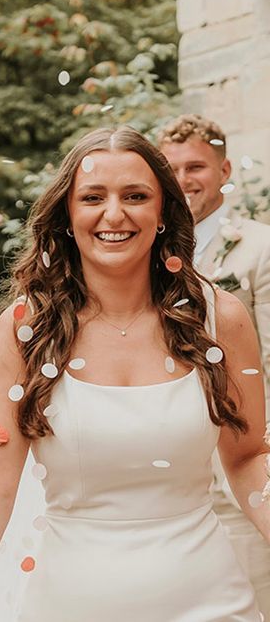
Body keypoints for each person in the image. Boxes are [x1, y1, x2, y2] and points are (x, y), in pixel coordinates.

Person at [0, 125, 270, 621]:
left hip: (210, 604)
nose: (114, 214)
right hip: (67, 605)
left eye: (136, 196)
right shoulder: (26, 329)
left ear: (162, 212)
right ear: (68, 216)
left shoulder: (220, 319)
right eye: (93, 197)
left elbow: (248, 457)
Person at [160, 113, 270, 614]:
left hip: (239, 447)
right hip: (164, 453)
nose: (183, 180)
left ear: (224, 171)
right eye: (171, 168)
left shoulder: (258, 248)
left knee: (247, 589)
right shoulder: (145, 249)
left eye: (196, 166)